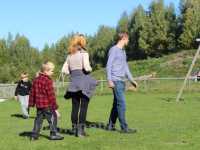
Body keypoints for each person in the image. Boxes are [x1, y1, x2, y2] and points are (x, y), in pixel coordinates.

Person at [62, 34, 98, 137]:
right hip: (83, 81)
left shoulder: (70, 55)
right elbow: (87, 68)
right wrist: (90, 69)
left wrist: (72, 71)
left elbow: (64, 70)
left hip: (73, 82)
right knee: (83, 107)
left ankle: (74, 129)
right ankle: (81, 131)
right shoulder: (84, 53)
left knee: (75, 107)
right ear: (82, 42)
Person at [106, 32, 138, 133]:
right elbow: (109, 65)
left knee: (116, 104)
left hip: (122, 81)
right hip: (115, 81)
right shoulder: (113, 50)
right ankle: (124, 128)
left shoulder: (123, 51)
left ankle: (110, 125)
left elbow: (125, 67)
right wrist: (109, 80)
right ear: (123, 38)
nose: (128, 41)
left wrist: (132, 80)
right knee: (122, 103)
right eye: (127, 39)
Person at [29, 61, 64, 141]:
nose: (53, 72)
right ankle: (53, 135)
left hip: (39, 106)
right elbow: (51, 96)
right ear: (46, 71)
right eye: (52, 71)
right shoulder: (48, 81)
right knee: (53, 118)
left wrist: (31, 103)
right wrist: (55, 109)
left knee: (38, 120)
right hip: (47, 106)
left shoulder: (36, 80)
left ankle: (34, 136)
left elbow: (32, 93)